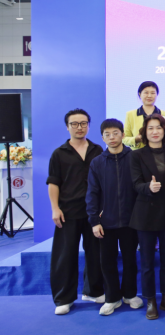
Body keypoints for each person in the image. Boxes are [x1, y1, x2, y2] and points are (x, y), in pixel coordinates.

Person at [47, 108, 104, 315]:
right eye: (75, 124)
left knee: (96, 253)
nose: (79, 127)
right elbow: (53, 183)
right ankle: (64, 298)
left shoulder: (98, 150)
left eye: (83, 123)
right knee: (65, 256)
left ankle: (94, 291)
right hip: (67, 212)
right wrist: (55, 208)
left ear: (88, 125)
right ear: (67, 127)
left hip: (94, 213)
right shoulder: (59, 153)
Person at [130, 114, 165, 320]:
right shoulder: (136, 155)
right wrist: (148, 187)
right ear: (145, 132)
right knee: (147, 262)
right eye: (150, 128)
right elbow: (135, 184)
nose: (155, 131)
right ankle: (150, 300)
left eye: (159, 127)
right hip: (145, 215)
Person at [86, 119, 142, 315]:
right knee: (107, 262)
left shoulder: (135, 158)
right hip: (106, 222)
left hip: (131, 221)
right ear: (102, 138)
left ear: (122, 135)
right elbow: (92, 193)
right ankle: (112, 298)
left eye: (115, 133)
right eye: (107, 134)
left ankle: (130, 294)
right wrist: (94, 220)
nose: (112, 137)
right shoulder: (97, 162)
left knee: (130, 260)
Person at [123, 81, 165, 149]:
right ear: (140, 94)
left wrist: (163, 140)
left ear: (157, 94)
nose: (149, 96)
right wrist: (136, 139)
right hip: (138, 152)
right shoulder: (130, 114)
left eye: (153, 93)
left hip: (160, 151)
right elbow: (124, 139)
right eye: (146, 93)